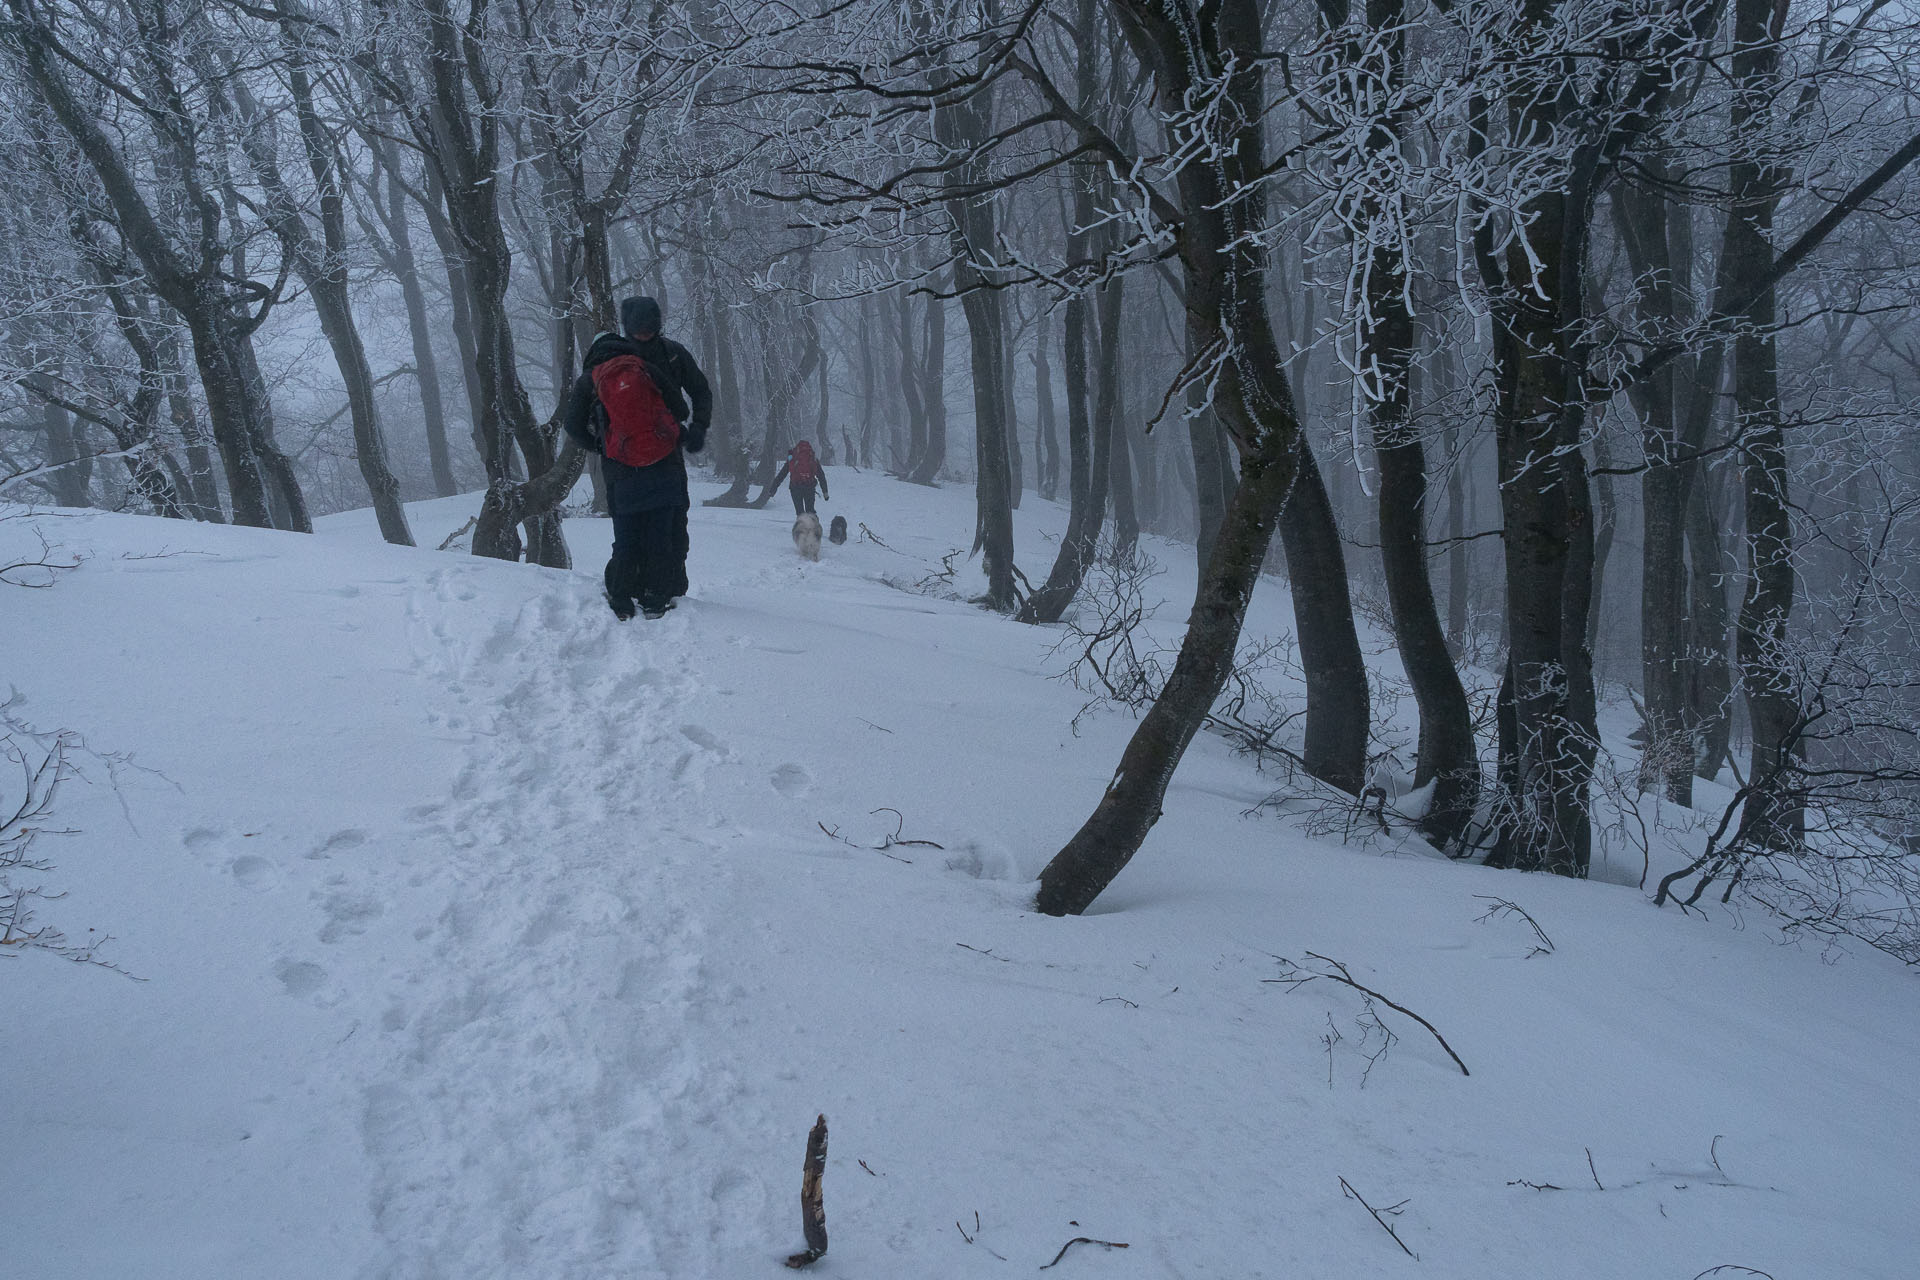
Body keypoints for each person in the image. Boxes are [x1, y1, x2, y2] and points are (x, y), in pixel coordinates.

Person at [562, 296, 713, 620]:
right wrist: (689, 429)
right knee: (666, 530)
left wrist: (602, 445)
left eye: (649, 331)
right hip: (664, 460)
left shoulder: (598, 372)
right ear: (628, 330)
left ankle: (628, 593)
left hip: (620, 466)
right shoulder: (654, 362)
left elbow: (573, 424)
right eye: (639, 332)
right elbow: (686, 403)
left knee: (629, 533)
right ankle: (660, 594)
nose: (644, 337)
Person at [768, 439, 830, 516]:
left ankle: (801, 526)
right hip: (809, 486)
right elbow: (821, 476)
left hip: (795, 487)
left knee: (800, 513)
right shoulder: (813, 458)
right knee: (810, 511)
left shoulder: (793, 457)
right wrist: (825, 492)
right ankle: (814, 526)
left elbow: (782, 474)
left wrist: (773, 488)